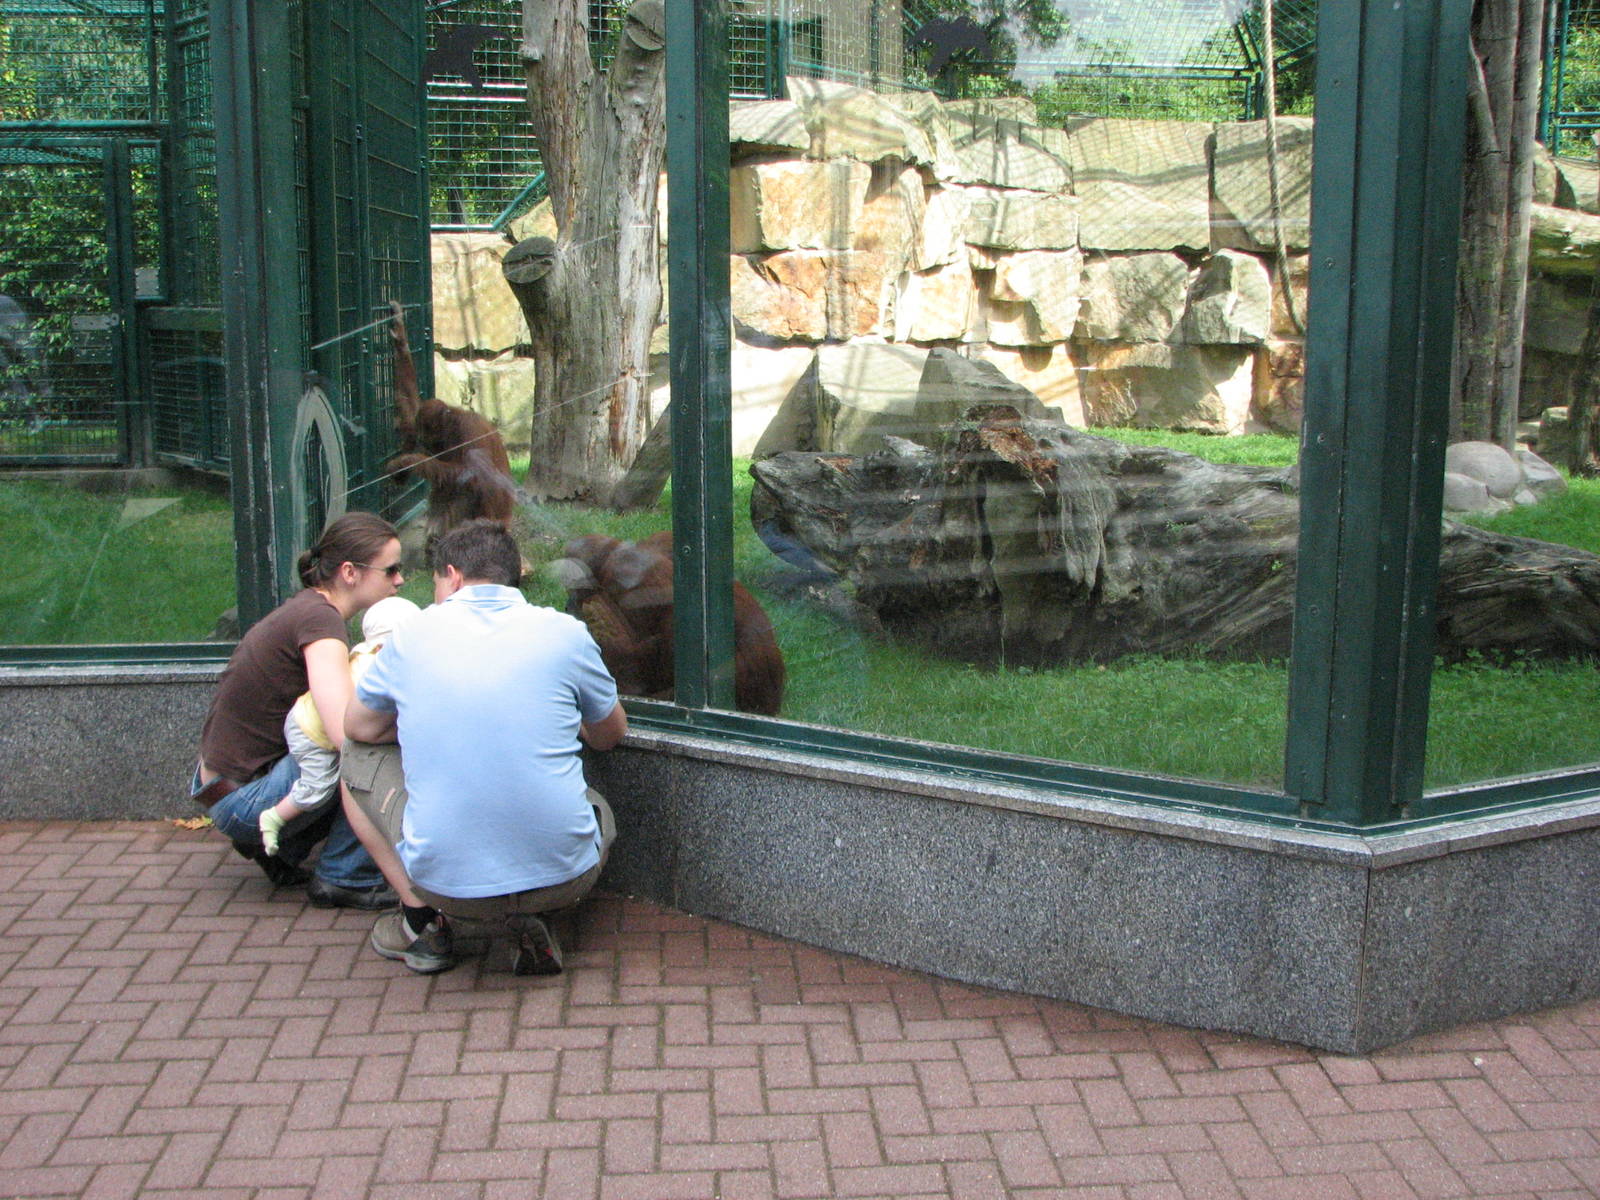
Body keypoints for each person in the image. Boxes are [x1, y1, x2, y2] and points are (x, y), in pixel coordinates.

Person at [340, 518, 628, 974]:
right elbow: (611, 734)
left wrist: (424, 725)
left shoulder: (412, 636)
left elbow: (358, 726)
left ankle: (421, 921)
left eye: (435, 582)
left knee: (352, 758)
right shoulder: (566, 633)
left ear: (452, 576)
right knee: (597, 809)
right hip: (567, 880)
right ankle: (533, 917)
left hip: (447, 887)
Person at [190, 511, 404, 909]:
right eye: (391, 570)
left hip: (224, 787)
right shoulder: (320, 623)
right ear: (349, 572)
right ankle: (346, 876)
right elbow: (346, 733)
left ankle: (284, 849)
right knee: (378, 749)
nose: (400, 580)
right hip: (242, 799)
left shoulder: (309, 609)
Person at [259, 594, 422, 855]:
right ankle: (273, 817)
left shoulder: (365, 653)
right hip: (309, 732)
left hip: (304, 715)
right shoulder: (377, 670)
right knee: (320, 787)